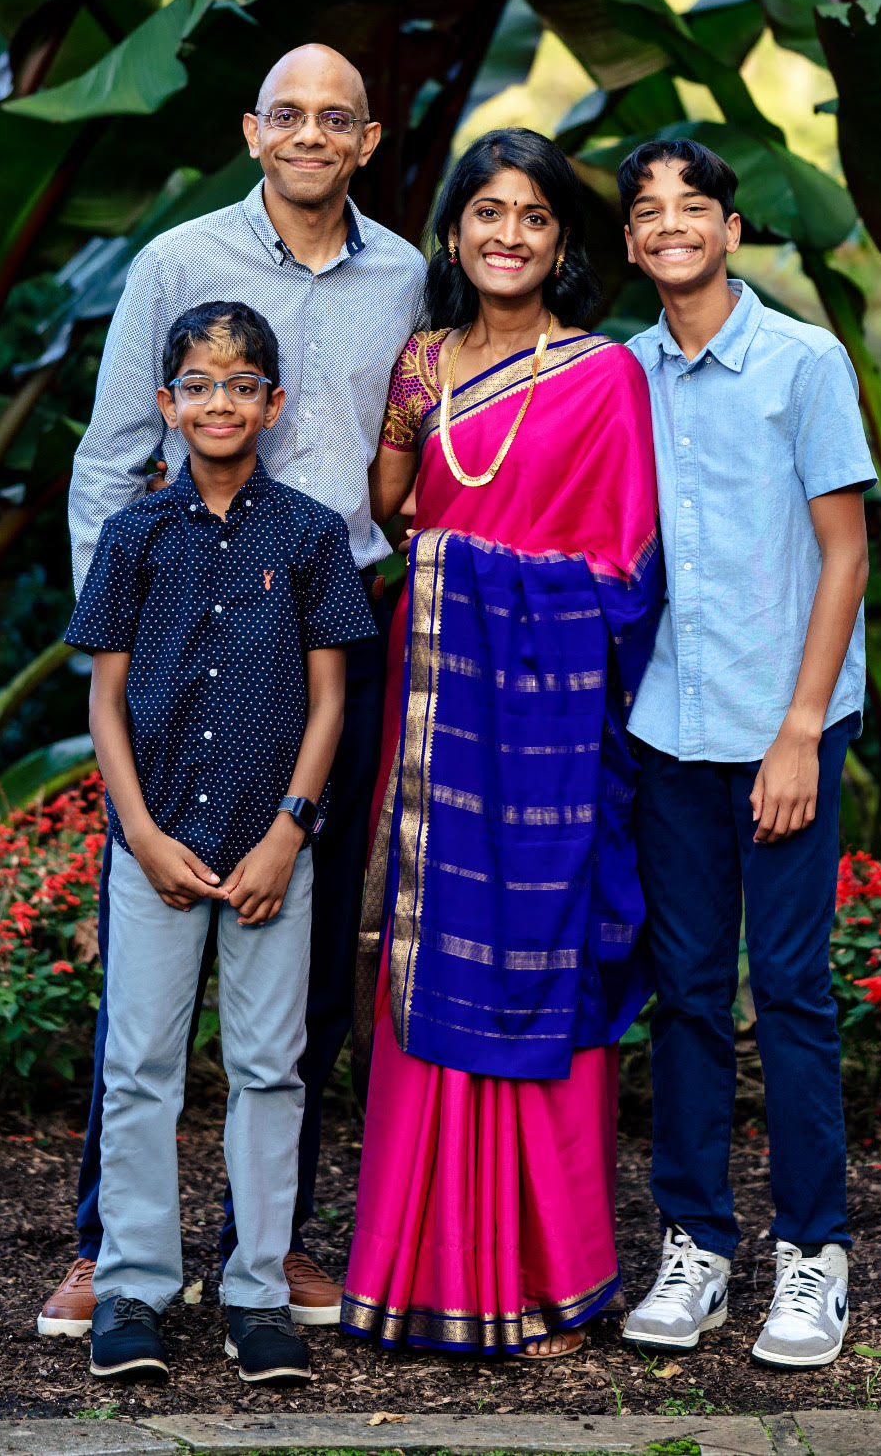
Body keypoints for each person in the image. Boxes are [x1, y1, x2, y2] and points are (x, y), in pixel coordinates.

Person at [39, 45, 425, 1339]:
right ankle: (111, 1246)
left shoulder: (403, 274)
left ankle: (272, 1246)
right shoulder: (176, 264)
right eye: (289, 114)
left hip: (332, 640)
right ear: (253, 130)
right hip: (176, 638)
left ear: (366, 141)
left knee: (302, 953)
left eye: (337, 119)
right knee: (147, 953)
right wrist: (123, 641)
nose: (311, 135)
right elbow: (106, 462)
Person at [341, 128, 663, 1361]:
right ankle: (422, 1271)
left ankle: (554, 1270)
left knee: (543, 960)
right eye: (487, 211)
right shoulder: (422, 362)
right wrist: (405, 454)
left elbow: (626, 569)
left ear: (565, 243)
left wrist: (458, 560)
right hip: (438, 718)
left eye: (533, 215)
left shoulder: (601, 377)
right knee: (430, 958)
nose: (508, 234)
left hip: (543, 731)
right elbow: (392, 505)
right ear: (457, 231)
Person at [71, 300, 376, 1385]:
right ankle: (136, 1287)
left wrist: (290, 834)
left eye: (241, 384)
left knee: (267, 1067)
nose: (218, 401)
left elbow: (331, 702)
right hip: (155, 850)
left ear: (272, 403)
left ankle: (255, 1293)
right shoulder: (133, 535)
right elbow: (106, 702)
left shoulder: (307, 533)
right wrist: (140, 833)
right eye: (196, 383)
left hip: (266, 857)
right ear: (166, 402)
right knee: (141, 1065)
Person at [617, 140, 874, 1371]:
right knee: (684, 997)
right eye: (649, 212)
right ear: (629, 243)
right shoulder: (622, 375)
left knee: (789, 990)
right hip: (670, 724)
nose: (672, 225)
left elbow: (846, 556)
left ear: (729, 228)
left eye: (694, 207)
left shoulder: (800, 362)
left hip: (786, 730)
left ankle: (814, 1256)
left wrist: (799, 734)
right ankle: (698, 1247)